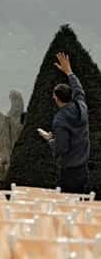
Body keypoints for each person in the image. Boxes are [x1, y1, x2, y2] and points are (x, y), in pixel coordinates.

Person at [37, 53, 90, 194]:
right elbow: (79, 90)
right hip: (83, 168)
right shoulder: (81, 105)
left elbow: (62, 148)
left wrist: (50, 139)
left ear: (56, 98)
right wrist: (69, 72)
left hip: (69, 171)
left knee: (67, 206)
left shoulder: (60, 120)